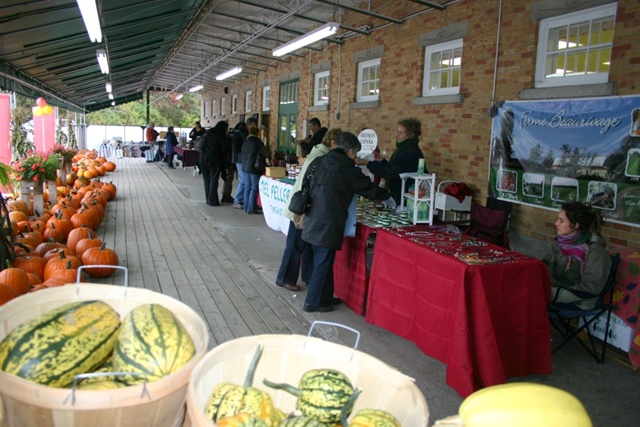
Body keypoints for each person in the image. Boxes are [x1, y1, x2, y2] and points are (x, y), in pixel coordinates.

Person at [301, 132, 392, 312]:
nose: (355, 157)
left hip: (313, 215)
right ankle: (312, 302)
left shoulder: (320, 160)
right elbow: (369, 190)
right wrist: (388, 195)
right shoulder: (348, 169)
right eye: (355, 154)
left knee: (323, 260)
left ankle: (325, 298)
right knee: (323, 261)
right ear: (349, 151)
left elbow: (306, 182)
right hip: (330, 219)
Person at [275, 127, 342, 292]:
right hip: (302, 207)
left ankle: (308, 277)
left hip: (306, 206)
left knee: (306, 245)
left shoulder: (318, 153)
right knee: (295, 245)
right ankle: (285, 278)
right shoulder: (321, 157)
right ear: (333, 143)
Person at [546, 201, 612, 311]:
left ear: (575, 225)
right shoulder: (560, 242)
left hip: (580, 300)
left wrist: (553, 292)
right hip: (558, 289)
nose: (556, 223)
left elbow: (590, 289)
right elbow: (546, 267)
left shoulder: (595, 252)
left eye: (561, 221)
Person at [356, 117, 425, 205]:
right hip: (399, 192)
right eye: (398, 132)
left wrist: (367, 163)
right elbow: (395, 167)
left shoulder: (409, 152)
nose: (397, 136)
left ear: (410, 134)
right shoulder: (404, 148)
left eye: (401, 132)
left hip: (405, 196)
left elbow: (390, 172)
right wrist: (382, 161)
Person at [241, 117, 269, 215]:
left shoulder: (246, 142)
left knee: (247, 187)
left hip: (245, 167)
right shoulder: (258, 142)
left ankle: (246, 207)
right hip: (254, 168)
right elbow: (266, 153)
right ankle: (251, 208)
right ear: (257, 133)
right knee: (254, 187)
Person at [200, 120, 229, 206]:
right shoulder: (222, 135)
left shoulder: (209, 132)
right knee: (214, 180)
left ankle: (208, 199)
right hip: (214, 160)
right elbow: (224, 149)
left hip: (203, 159)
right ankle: (212, 201)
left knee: (207, 180)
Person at [231, 121, 248, 209]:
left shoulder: (236, 133)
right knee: (244, 180)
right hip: (240, 159)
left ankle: (240, 199)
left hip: (238, 159)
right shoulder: (241, 134)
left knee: (243, 180)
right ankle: (238, 200)